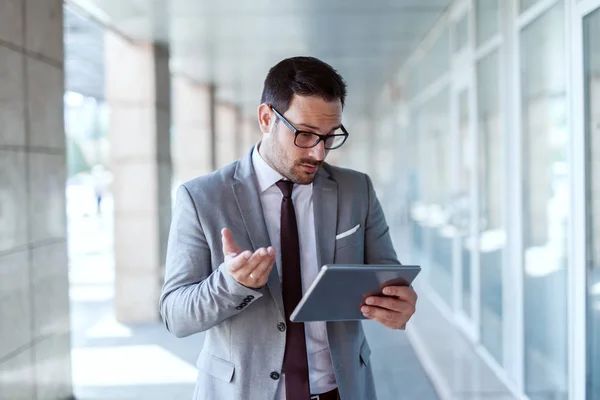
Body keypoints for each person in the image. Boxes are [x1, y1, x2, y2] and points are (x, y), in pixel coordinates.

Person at [159, 56, 418, 400]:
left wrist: (398, 307)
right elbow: (176, 316)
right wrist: (231, 284)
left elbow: (386, 275)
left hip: (340, 391)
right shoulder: (202, 198)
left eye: (330, 136)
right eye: (306, 135)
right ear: (267, 118)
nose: (319, 152)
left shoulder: (357, 190)